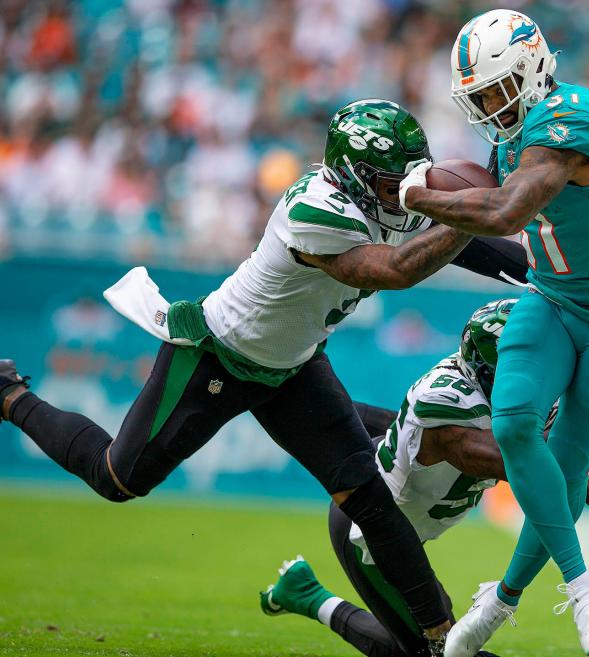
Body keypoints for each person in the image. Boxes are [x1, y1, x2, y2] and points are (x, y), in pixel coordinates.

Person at [0, 99, 528, 655]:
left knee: (369, 497)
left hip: (295, 367)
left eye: (409, 175)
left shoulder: (386, 194)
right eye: (389, 178)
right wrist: (462, 217)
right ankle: (10, 393)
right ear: (352, 174)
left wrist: (550, 268)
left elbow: (484, 251)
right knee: (118, 479)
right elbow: (393, 271)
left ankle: (441, 634)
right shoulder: (315, 208)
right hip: (217, 354)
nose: (402, 189)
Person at [398, 9, 589, 656]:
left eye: (495, 89)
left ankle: (502, 597)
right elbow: (502, 224)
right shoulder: (514, 135)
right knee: (516, 424)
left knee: (569, 468)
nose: (490, 106)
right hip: (551, 295)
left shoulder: (573, 119)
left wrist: (417, 194)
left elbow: (507, 209)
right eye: (480, 96)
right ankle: (581, 586)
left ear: (531, 69)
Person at [259, 298, 589, 657]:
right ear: (492, 369)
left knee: (429, 647)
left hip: (416, 515)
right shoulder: (448, 407)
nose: (542, 371)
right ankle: (312, 598)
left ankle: (304, 592)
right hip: (373, 534)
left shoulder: (516, 396)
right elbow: (550, 471)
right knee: (434, 650)